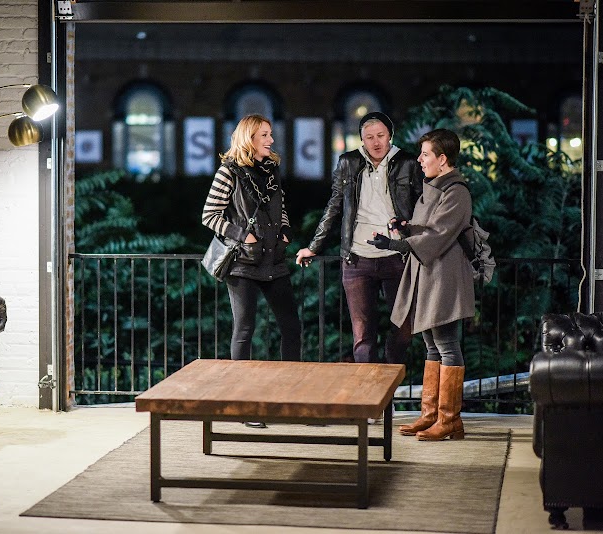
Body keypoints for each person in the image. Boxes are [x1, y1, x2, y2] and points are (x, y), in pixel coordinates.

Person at [367, 128, 474, 441]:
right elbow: (427, 228)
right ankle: (431, 415)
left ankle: (449, 419)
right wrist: (405, 227)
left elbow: (439, 235)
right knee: (432, 345)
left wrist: (395, 244)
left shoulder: (456, 191)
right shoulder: (434, 186)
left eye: (426, 154)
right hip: (428, 275)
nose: (420, 159)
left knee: (446, 345)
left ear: (442, 159)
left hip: (444, 277)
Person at [295, 112, 423, 367]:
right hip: (357, 259)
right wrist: (314, 247)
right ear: (362, 139)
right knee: (362, 334)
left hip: (397, 256)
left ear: (390, 136)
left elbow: (423, 205)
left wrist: (418, 237)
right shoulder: (348, 162)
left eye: (381, 136)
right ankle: (369, 387)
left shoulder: (407, 162)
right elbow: (334, 206)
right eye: (369, 137)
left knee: (405, 326)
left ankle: (389, 371)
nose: (376, 142)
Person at [202, 114, 302, 428]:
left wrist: (285, 231)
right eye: (264, 135)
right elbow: (209, 214)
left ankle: (292, 401)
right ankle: (243, 406)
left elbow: (280, 208)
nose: (271, 140)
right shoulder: (228, 171)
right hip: (243, 263)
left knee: (292, 326)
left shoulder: (271, 170)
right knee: (244, 331)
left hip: (274, 260)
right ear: (249, 138)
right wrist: (242, 235)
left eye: (270, 134)